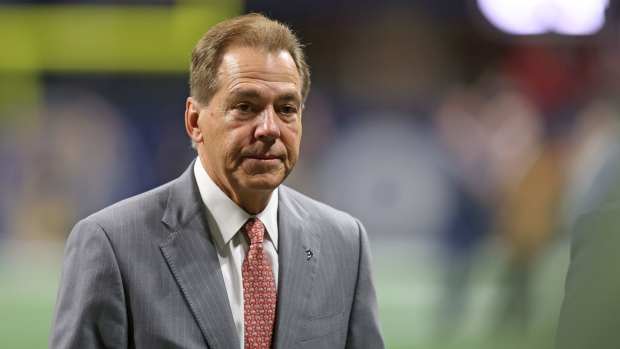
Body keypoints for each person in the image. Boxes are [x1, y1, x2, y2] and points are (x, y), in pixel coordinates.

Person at [49, 13, 384, 349]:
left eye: (286, 109)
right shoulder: (112, 245)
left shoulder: (344, 244)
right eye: (245, 106)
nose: (269, 128)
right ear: (195, 121)